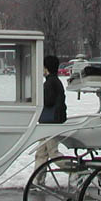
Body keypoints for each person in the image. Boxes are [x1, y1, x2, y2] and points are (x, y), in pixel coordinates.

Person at [33, 54, 67, 182]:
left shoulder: (50, 83)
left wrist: (37, 97)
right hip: (48, 123)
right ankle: (37, 180)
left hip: (50, 123)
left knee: (53, 154)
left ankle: (76, 171)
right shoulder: (54, 81)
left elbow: (47, 101)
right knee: (41, 153)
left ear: (46, 68)